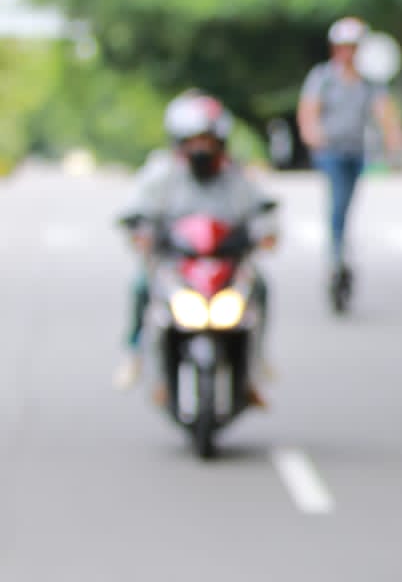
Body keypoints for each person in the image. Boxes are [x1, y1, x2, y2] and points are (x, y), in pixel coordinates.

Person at [116, 91, 279, 404]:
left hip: (224, 263)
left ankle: (254, 368)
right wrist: (141, 232)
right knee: (141, 287)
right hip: (177, 263)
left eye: (207, 139)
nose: (201, 147)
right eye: (194, 140)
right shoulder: (163, 174)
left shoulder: (234, 176)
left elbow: (261, 210)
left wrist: (265, 234)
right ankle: (136, 355)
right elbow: (138, 210)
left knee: (259, 289)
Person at [296, 16, 402, 280]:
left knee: (348, 201)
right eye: (344, 46)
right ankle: (336, 251)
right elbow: (309, 109)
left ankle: (341, 242)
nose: (349, 52)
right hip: (330, 150)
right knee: (338, 198)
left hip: (356, 150)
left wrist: (393, 135)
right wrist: (312, 134)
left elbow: (383, 111)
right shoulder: (323, 77)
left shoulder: (369, 81)